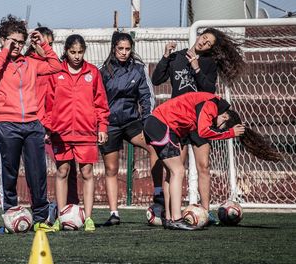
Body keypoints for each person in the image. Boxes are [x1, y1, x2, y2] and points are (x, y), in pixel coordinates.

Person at [143, 91, 282, 230]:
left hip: (159, 124)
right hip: (161, 124)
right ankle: (177, 219)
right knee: (178, 171)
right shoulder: (211, 104)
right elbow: (204, 131)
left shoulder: (211, 103)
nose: (217, 128)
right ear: (225, 116)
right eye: (222, 126)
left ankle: (169, 218)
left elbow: (189, 122)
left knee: (171, 173)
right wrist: (230, 133)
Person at [151, 28, 245, 222]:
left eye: (209, 43)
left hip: (201, 120)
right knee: (175, 169)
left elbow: (209, 89)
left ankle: (205, 212)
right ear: (198, 35)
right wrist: (165, 56)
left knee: (204, 166)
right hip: (179, 121)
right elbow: (156, 79)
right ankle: (170, 215)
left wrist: (196, 67)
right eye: (204, 38)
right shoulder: (176, 57)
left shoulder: (208, 63)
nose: (204, 43)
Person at [0, 15, 62, 232]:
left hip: (32, 124)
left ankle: (40, 218)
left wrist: (42, 44)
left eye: (21, 42)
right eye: (13, 41)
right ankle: (9, 216)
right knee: (8, 172)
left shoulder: (31, 63)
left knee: (37, 173)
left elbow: (56, 66)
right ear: (3, 39)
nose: (17, 46)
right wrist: (5, 51)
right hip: (5, 124)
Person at [44, 34, 109, 232]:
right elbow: (48, 103)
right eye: (73, 52)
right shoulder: (56, 73)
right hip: (61, 133)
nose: (77, 56)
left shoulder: (93, 73)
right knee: (62, 171)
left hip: (86, 133)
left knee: (87, 172)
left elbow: (101, 103)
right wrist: (49, 128)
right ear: (66, 51)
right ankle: (60, 217)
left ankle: (88, 218)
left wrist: (103, 127)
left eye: (80, 52)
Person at [99, 32, 161, 226]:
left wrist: (147, 120)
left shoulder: (139, 70)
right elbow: (97, 100)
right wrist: (100, 125)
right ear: (114, 48)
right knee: (111, 168)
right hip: (110, 124)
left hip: (132, 122)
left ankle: (159, 196)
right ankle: (114, 213)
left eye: (127, 49)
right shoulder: (103, 72)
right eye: (120, 49)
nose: (124, 53)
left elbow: (146, 97)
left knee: (156, 147)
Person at [25, 27, 79, 220]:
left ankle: (69, 209)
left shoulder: (55, 66)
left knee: (67, 166)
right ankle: (41, 210)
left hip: (58, 126)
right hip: (38, 125)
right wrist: (43, 125)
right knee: (37, 171)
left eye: (50, 44)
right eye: (43, 43)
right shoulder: (29, 64)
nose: (47, 47)